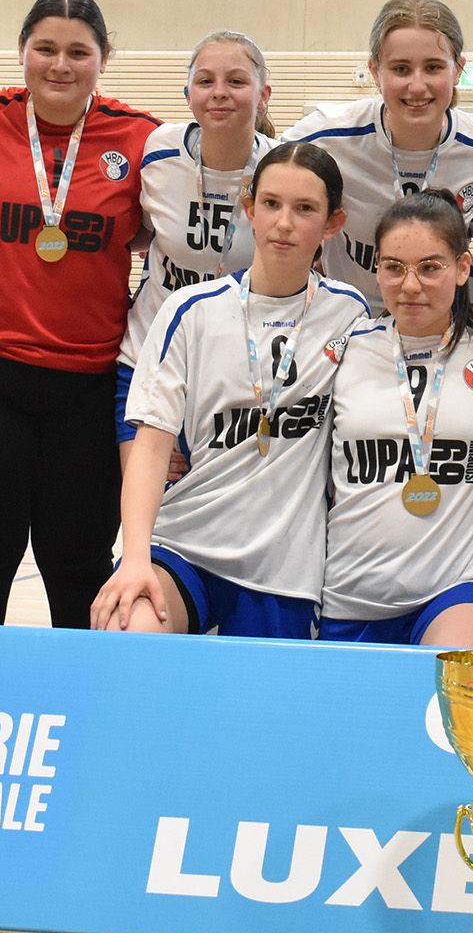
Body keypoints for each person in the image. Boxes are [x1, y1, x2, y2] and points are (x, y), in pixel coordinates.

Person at [0, 0, 158, 628]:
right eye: (45, 48)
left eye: (79, 52)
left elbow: (160, 234)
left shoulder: (141, 138)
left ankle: (82, 691)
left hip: (88, 390)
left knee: (80, 564)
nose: (60, 65)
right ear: (22, 51)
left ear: (104, 58)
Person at [91, 143, 371, 636]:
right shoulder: (190, 310)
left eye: (305, 208)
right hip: (185, 546)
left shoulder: (349, 313)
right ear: (249, 209)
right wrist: (134, 557)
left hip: (285, 567)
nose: (284, 223)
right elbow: (151, 448)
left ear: (333, 224)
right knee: (126, 628)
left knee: (257, 687)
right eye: (271, 204)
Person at [319, 191, 473, 648]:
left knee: (458, 674)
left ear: (463, 268)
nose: (410, 285)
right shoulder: (346, 346)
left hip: (465, 583)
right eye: (394, 267)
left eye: (430, 268)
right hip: (352, 593)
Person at [282, 0, 473, 310]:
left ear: (458, 69)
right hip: (352, 322)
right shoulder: (326, 135)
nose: (417, 86)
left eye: (433, 67)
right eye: (401, 69)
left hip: (447, 322)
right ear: (375, 71)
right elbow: (259, 177)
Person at [116, 30, 276, 466]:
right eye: (205, 81)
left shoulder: (282, 167)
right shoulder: (158, 151)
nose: (219, 92)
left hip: (236, 375)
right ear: (188, 94)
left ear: (263, 95)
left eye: (236, 81)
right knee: (150, 499)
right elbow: (140, 232)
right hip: (150, 361)